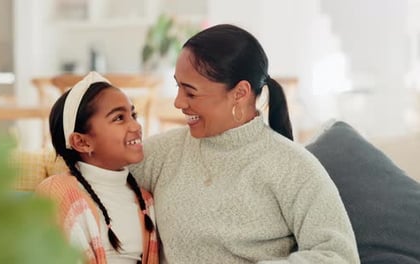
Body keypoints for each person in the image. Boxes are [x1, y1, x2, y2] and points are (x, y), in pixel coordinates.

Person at [129, 24, 360, 263]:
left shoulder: (293, 167)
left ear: (240, 92)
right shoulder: (164, 153)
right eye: (178, 87)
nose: (178, 102)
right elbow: (96, 173)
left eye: (191, 92)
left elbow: (339, 256)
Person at [36, 71, 158, 264]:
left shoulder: (146, 201)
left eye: (133, 114)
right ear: (82, 142)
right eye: (119, 118)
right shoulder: (57, 193)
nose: (136, 126)